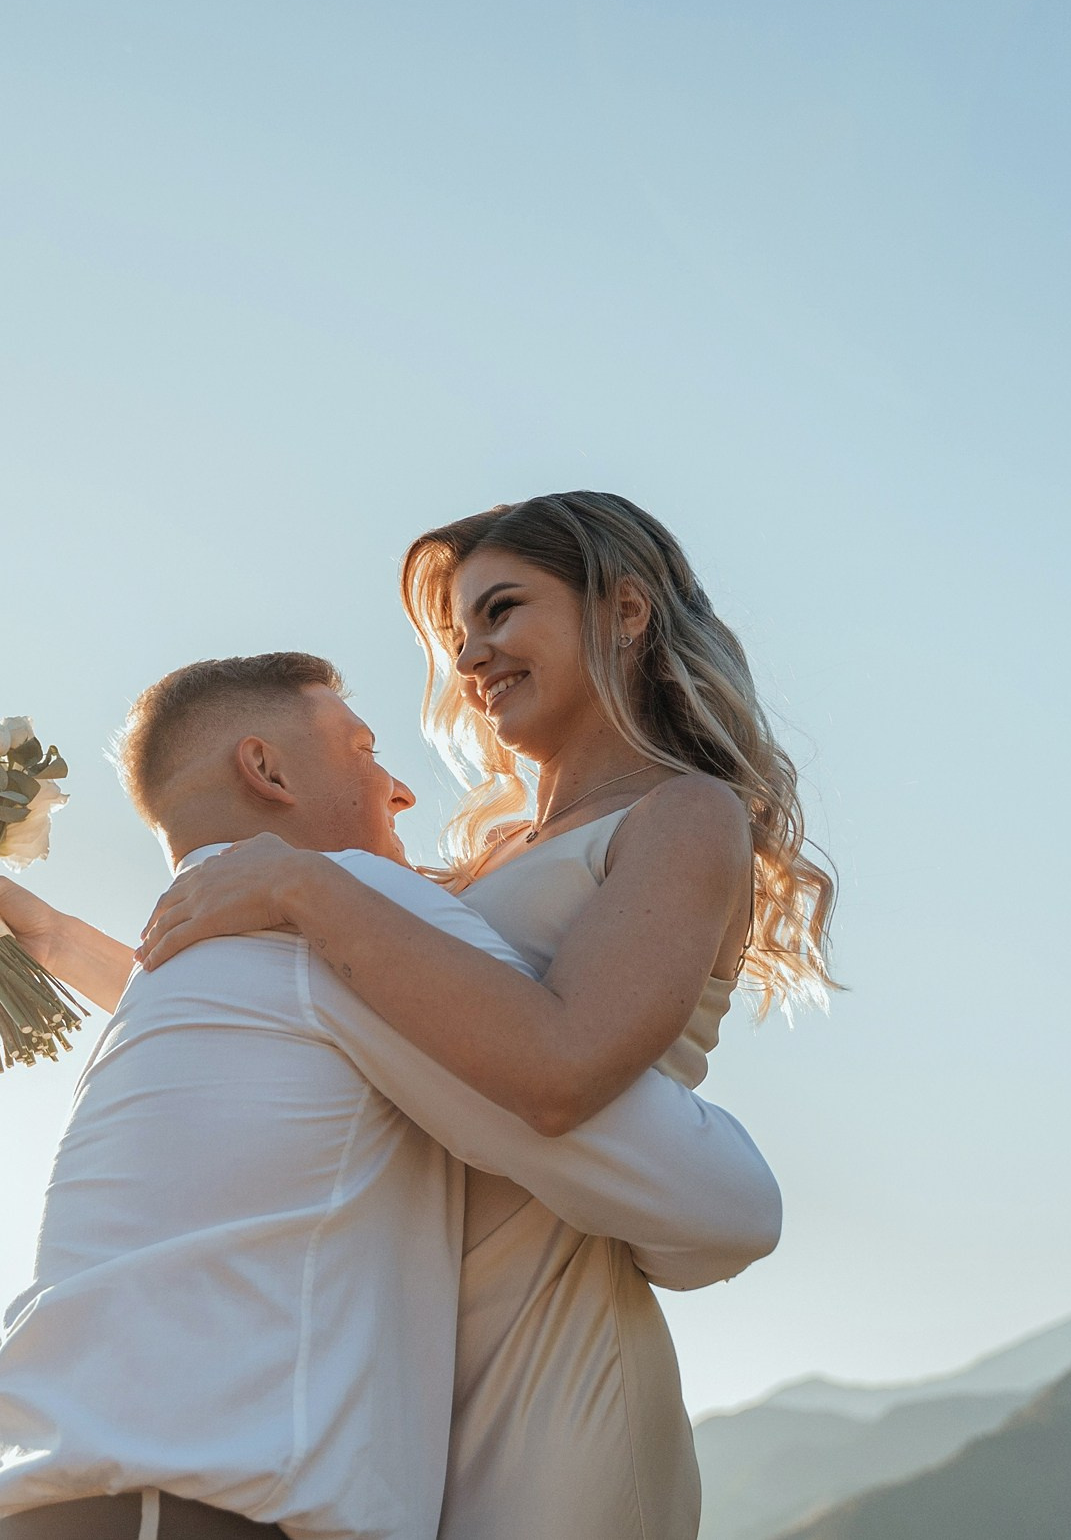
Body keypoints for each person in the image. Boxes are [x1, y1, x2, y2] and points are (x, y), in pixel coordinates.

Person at [0, 652, 781, 1540]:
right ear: (268, 769)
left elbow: (292, 1027)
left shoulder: (170, 993)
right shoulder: (344, 905)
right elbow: (721, 1205)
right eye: (362, 750)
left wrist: (54, 939)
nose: (399, 791)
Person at [135, 492, 838, 1539]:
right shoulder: (476, 860)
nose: (472, 654)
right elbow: (322, 1026)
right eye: (460, 631)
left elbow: (562, 1068)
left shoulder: (682, 815)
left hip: (555, 1355)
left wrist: (302, 888)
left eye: (502, 611)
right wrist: (37, 938)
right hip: (407, 1367)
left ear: (625, 612)